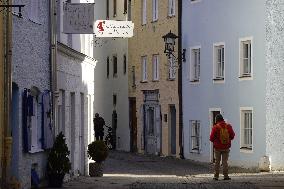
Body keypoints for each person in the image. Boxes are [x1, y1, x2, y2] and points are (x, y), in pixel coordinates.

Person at [210, 114, 235, 180]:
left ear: (216, 120)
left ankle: (216, 176)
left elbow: (211, 138)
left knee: (217, 162)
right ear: (222, 119)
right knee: (225, 162)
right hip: (226, 147)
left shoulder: (215, 127)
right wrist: (228, 140)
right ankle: (226, 176)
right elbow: (232, 135)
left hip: (217, 148)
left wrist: (215, 141)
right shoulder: (228, 126)